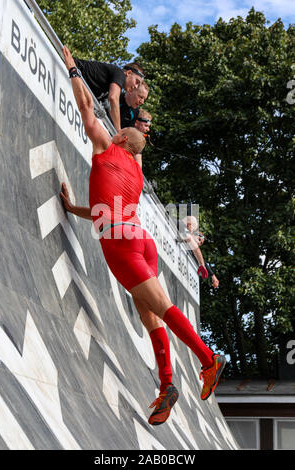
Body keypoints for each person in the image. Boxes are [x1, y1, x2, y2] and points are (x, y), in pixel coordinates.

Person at [61, 45, 226, 426]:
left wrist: (73, 70)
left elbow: (87, 108)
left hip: (122, 247)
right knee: (150, 316)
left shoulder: (106, 148)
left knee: (164, 311)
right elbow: (106, 212)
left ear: (119, 139)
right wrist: (74, 210)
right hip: (138, 239)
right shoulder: (135, 175)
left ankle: (208, 358)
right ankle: (167, 385)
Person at [73, 56, 145, 132]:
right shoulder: (120, 74)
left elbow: (108, 112)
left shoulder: (108, 86)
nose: (136, 86)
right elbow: (113, 98)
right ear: (128, 73)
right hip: (69, 67)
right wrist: (117, 130)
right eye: (137, 82)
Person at [181, 216, 219, 289]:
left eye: (201, 243)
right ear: (193, 235)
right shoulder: (184, 230)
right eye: (199, 239)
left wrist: (212, 275)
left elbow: (202, 261)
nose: (199, 243)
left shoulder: (192, 250)